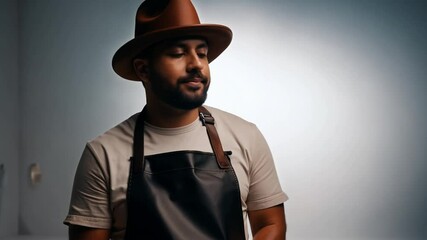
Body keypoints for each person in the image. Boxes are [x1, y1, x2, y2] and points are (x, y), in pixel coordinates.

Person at [64, 0, 288, 239]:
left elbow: (270, 225)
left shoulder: (246, 136)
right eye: (178, 53)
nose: (196, 64)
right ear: (143, 70)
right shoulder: (103, 154)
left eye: (201, 53)